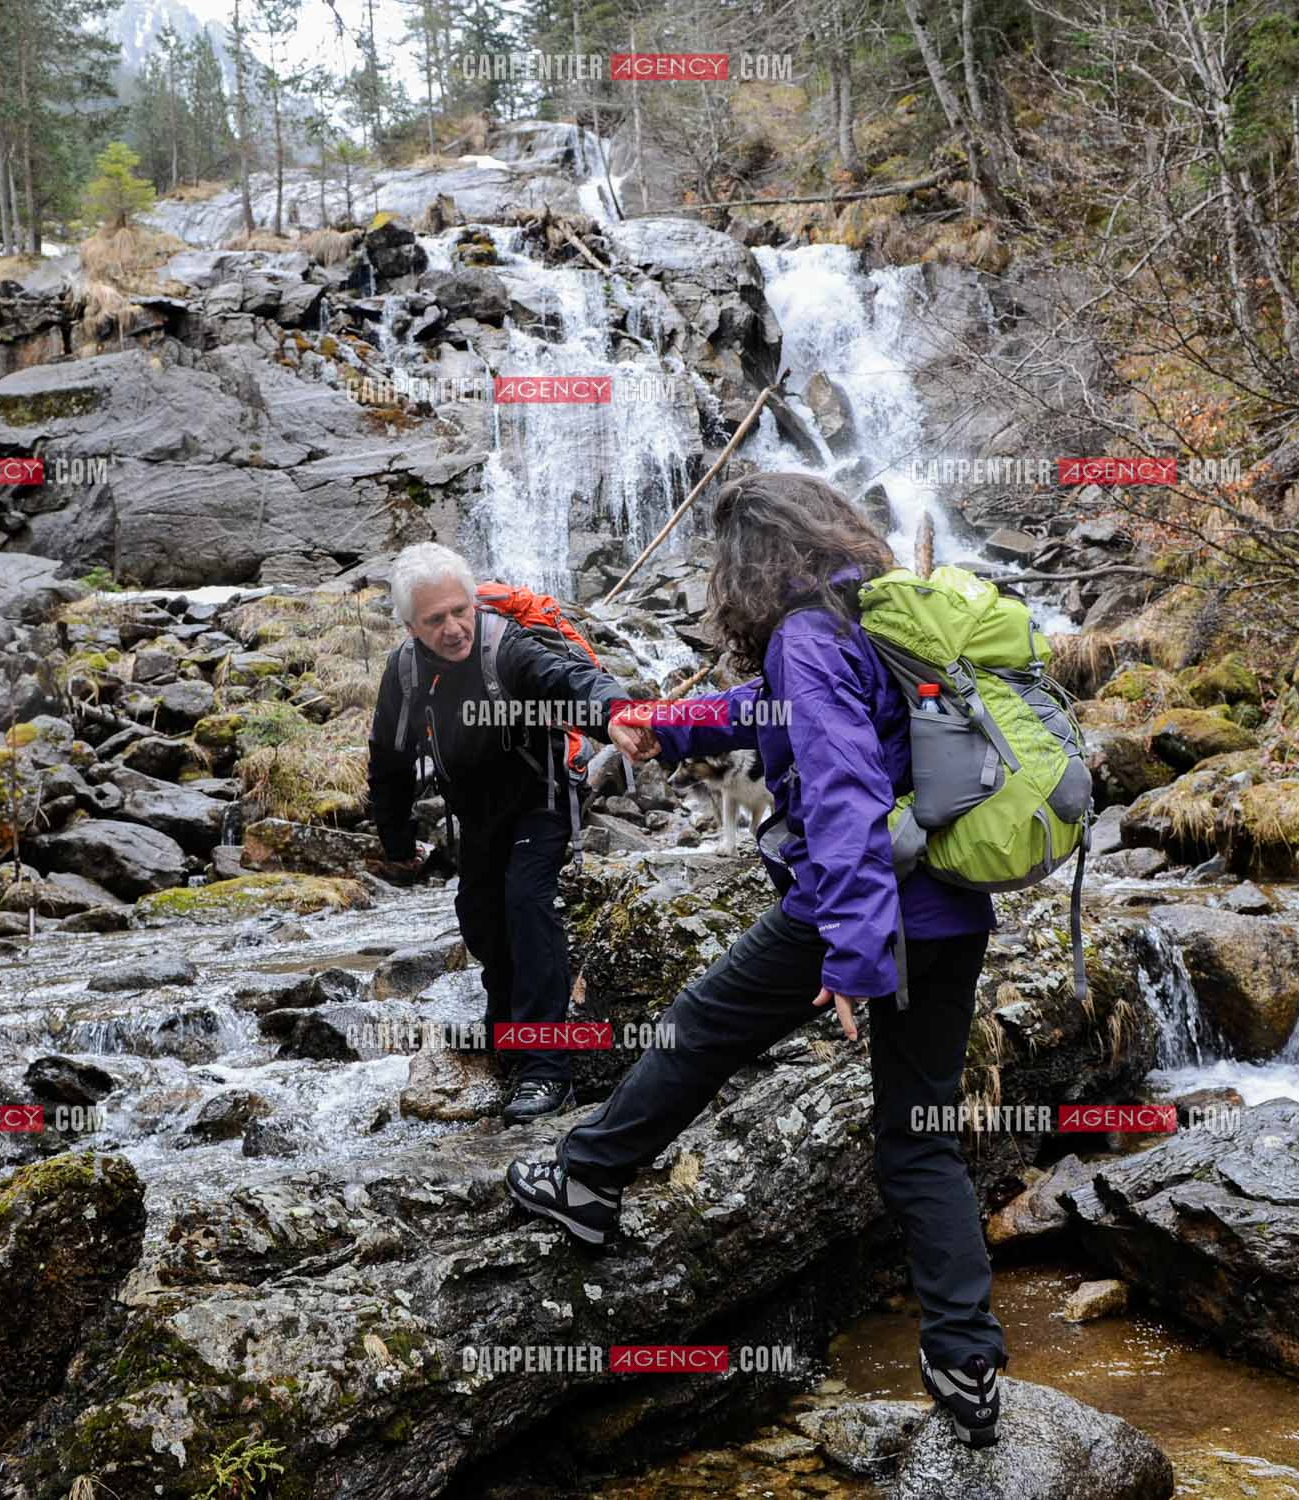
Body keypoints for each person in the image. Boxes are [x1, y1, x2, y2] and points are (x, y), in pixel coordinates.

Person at [502, 473, 1010, 1448]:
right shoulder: (870, 611)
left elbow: (845, 800)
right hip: (951, 909)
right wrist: (670, 724)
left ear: (748, 564)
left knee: (697, 1028)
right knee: (920, 1137)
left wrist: (855, 958)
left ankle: (586, 1179)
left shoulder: (806, 635)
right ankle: (967, 1361)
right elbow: (774, 711)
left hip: (861, 911)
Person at [366, 543, 653, 1123]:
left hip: (539, 798)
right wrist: (394, 840)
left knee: (526, 901)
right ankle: (508, 1034)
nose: (453, 629)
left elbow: (570, 680)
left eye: (460, 611)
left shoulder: (508, 647)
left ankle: (548, 1069)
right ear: (409, 626)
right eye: (435, 620)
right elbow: (389, 763)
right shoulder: (403, 674)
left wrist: (616, 712)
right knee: (479, 914)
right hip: (475, 813)